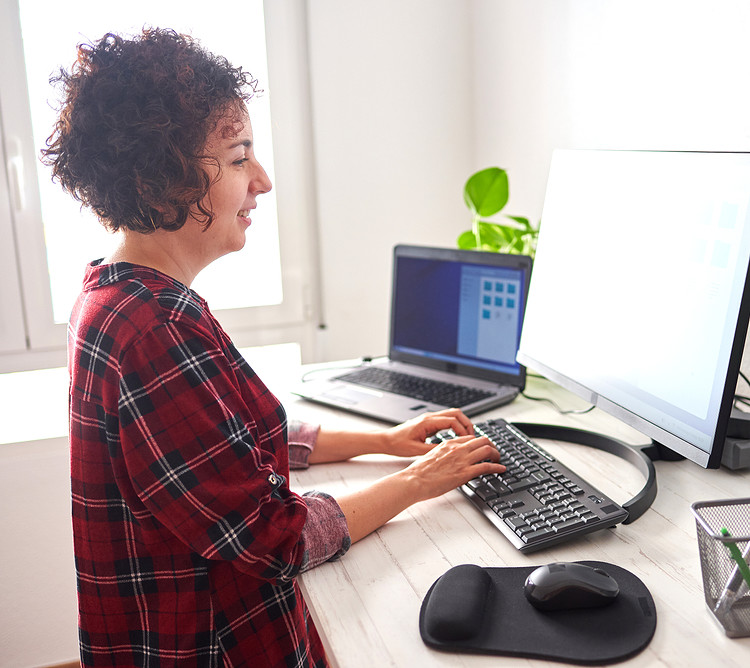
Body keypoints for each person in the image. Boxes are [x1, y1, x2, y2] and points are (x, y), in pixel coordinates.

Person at [42, 28, 504, 667]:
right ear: (159, 179)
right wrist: (418, 480)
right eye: (237, 158)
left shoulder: (120, 294)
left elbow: (217, 449)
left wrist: (380, 441)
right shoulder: (155, 332)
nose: (261, 179)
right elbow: (273, 538)